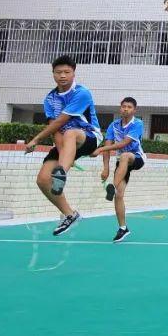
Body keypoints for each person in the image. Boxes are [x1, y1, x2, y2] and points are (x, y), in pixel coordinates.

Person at [24, 55, 102, 236]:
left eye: (67, 72)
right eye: (58, 72)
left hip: (88, 137)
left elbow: (61, 122)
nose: (63, 75)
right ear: (53, 74)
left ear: (74, 73)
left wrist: (36, 140)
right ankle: (69, 214)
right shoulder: (50, 99)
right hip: (65, 142)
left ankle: (61, 173)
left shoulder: (82, 93)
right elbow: (54, 129)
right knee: (43, 180)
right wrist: (62, 154)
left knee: (70, 132)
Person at [94, 97, 146, 242]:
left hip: (136, 158)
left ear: (134, 110)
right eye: (123, 106)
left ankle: (112, 186)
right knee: (118, 195)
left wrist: (101, 148)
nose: (126, 109)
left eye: (129, 107)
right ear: (120, 108)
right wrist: (106, 168)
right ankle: (123, 228)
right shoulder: (113, 125)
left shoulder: (138, 123)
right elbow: (108, 146)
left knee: (124, 155)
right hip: (121, 163)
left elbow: (124, 143)